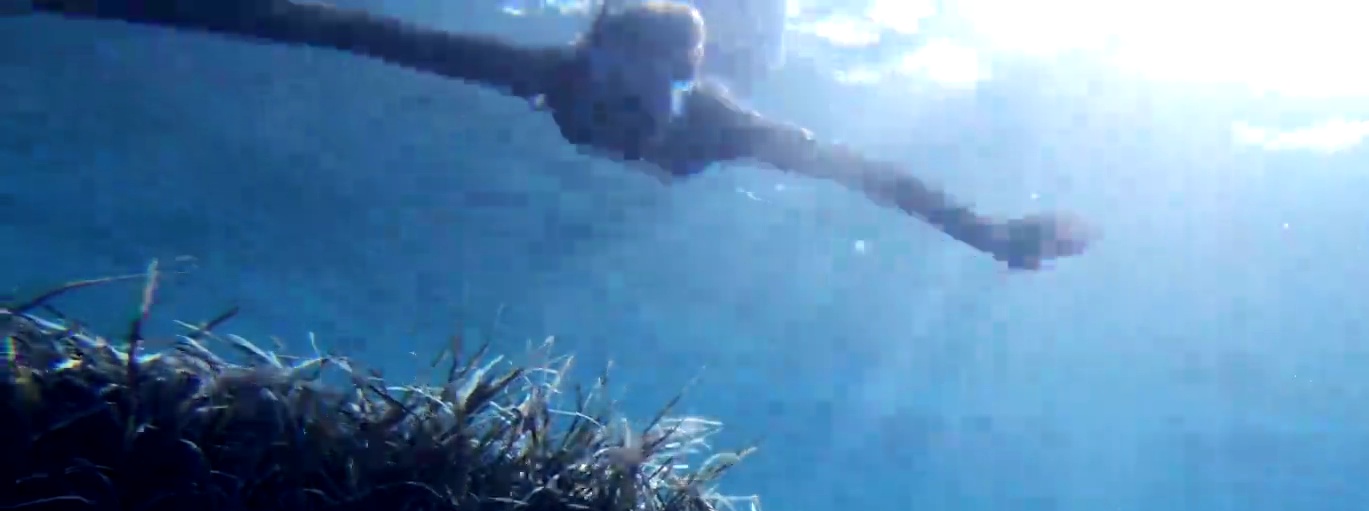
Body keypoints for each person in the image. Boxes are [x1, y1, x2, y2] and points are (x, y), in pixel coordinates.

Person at [22, 0, 1098, 269]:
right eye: (606, 82)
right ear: (588, 57)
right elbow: (352, 32)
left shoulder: (728, 119)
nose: (618, 115)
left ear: (686, 84)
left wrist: (993, 235)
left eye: (643, 96)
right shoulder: (553, 72)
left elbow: (874, 175)